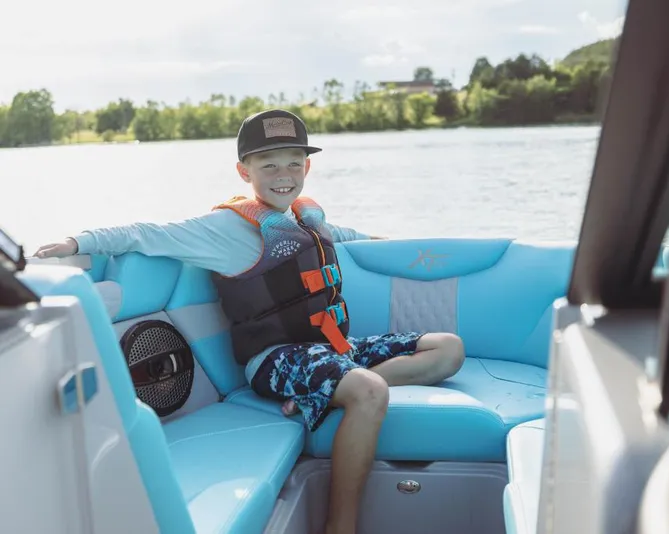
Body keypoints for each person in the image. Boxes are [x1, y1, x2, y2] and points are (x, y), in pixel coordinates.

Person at [35, 109, 466, 534]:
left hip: (334, 348)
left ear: (308, 166)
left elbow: (346, 236)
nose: (284, 174)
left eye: (294, 163)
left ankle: (324, 393)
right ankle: (341, 525)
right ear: (245, 171)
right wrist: (79, 241)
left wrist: (396, 245)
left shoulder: (304, 216)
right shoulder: (225, 229)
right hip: (275, 358)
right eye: (269, 164)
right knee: (369, 390)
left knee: (448, 349)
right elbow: (150, 233)